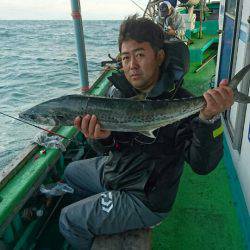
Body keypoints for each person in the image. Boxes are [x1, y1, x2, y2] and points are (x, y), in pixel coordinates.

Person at [59, 15, 233, 249]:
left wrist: (209, 119)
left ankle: (116, 221)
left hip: (146, 197)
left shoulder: (181, 103)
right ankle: (108, 217)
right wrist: (103, 139)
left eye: (140, 55)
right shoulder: (118, 92)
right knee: (70, 172)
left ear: (159, 56)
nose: (132, 65)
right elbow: (115, 147)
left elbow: (203, 166)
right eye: (126, 57)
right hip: (120, 171)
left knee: (68, 220)